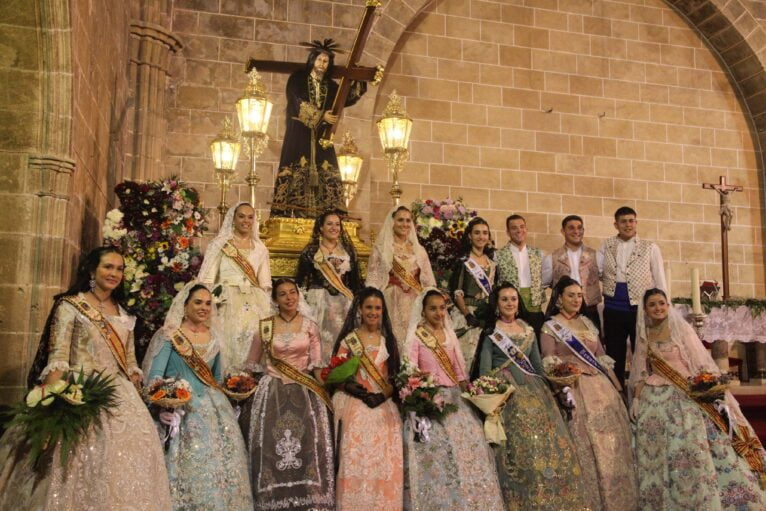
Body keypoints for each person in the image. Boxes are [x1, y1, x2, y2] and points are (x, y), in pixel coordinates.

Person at [0, 247, 171, 510]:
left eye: (119, 269)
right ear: (92, 270)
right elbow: (58, 357)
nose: (114, 273)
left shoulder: (125, 314)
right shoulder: (71, 306)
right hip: (78, 389)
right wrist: (52, 403)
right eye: (108, 267)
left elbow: (129, 363)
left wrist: (138, 386)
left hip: (119, 396)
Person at [630, 288, 766, 510]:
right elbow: (640, 372)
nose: (658, 308)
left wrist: (711, 390)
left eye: (662, 303)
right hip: (654, 394)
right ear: (645, 310)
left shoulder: (680, 330)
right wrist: (636, 398)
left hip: (686, 393)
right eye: (653, 304)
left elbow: (701, 363)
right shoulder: (644, 335)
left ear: (668, 305)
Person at [475, 282, 588, 510]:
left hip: (534, 390)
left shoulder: (528, 329)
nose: (510, 303)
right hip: (505, 395)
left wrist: (556, 387)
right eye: (505, 299)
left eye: (514, 299)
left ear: (519, 303)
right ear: (497, 304)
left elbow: (536, 366)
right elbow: (484, 372)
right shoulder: (490, 333)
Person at [143, 282, 252, 510]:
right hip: (183, 410)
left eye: (208, 303)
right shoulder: (170, 336)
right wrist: (164, 404)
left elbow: (218, 379)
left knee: (222, 467)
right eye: (198, 302)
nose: (204, 307)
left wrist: (236, 389)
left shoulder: (214, 337)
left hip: (216, 410)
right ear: (184, 305)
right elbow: (154, 377)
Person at [540, 276, 638, 511]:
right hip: (571, 388)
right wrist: (563, 387)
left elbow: (601, 356)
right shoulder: (550, 325)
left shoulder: (588, 322)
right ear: (559, 300)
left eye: (579, 295)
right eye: (570, 295)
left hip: (600, 387)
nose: (576, 299)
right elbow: (548, 361)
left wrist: (617, 387)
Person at [402, 288, 504, 510]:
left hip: (455, 399)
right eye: (433, 309)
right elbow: (410, 370)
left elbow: (459, 370)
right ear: (423, 311)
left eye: (442, 308)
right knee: (438, 452)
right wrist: (420, 396)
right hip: (430, 400)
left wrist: (473, 391)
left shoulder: (450, 335)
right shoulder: (418, 336)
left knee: (468, 449)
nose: (439, 313)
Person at [239, 278, 335, 510]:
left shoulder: (310, 326)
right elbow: (251, 365)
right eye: (283, 294)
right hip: (272, 393)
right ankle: (274, 499)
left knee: (308, 444)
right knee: (271, 445)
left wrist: (329, 394)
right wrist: (240, 390)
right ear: (275, 300)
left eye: (293, 292)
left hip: (304, 393)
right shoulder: (265, 327)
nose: (289, 297)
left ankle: (310, 496)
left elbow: (318, 366)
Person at [271, 39, 367, 217]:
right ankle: (293, 213)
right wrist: (321, 116)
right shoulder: (298, 78)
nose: (322, 64)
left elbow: (346, 98)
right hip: (299, 132)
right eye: (319, 59)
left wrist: (358, 78)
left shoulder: (330, 86)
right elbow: (295, 99)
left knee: (327, 172)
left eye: (326, 61)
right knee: (295, 170)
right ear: (312, 60)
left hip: (322, 136)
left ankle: (326, 216)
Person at [331, 287, 403, 511]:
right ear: (360, 309)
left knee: (384, 461)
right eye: (369, 307)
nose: (373, 312)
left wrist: (382, 395)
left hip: (382, 404)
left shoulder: (388, 340)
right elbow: (334, 373)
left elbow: (396, 377)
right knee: (354, 456)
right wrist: (353, 388)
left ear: (383, 311)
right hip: (354, 403)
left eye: (378, 308)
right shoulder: (348, 340)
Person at [198, 201, 272, 372]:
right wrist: (210, 305)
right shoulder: (219, 244)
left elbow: (265, 285)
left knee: (251, 343)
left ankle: (247, 384)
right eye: (241, 216)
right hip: (226, 301)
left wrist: (266, 310)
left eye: (250, 217)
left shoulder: (261, 249)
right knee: (227, 344)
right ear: (233, 219)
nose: (246, 221)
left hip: (254, 304)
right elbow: (207, 279)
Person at [598, 206, 666, 386]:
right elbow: (598, 271)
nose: (627, 225)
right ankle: (617, 392)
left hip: (640, 310)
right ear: (616, 224)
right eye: (623, 221)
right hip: (613, 308)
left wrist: (664, 306)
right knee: (614, 354)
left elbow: (659, 279)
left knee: (642, 353)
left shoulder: (650, 247)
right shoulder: (606, 245)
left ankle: (644, 391)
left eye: (631, 221)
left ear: (636, 223)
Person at [296, 209, 362, 365]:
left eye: (337, 224)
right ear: (321, 227)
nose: (334, 228)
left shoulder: (348, 252)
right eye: (329, 224)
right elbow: (301, 282)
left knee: (342, 341)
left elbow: (355, 282)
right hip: (319, 304)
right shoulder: (311, 251)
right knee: (320, 341)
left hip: (343, 304)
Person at [366, 205, 436, 346]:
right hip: (391, 300)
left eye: (408, 220)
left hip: (415, 303)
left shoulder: (419, 250)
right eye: (400, 220)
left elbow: (429, 282)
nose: (404, 224)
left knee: (414, 342)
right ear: (392, 222)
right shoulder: (382, 249)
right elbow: (373, 281)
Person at [448, 216, 496, 369]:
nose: (481, 237)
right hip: (466, 314)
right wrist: (467, 315)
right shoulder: (463, 261)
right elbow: (457, 292)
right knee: (465, 358)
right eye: (477, 233)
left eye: (484, 233)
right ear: (469, 236)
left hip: (486, 315)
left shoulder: (493, 263)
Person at [495, 214, 552, 337]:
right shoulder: (498, 255)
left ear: (526, 229)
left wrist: (537, 290)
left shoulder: (539, 254)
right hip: (509, 311)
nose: (519, 230)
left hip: (534, 310)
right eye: (514, 228)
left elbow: (546, 279)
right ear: (508, 232)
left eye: (522, 227)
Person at [547, 215, 602, 332]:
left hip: (590, 308)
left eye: (579, 228)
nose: (576, 231)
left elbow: (604, 277)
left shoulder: (595, 255)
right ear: (563, 231)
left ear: (583, 230)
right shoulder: (553, 257)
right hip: (562, 311)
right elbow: (547, 282)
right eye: (571, 228)